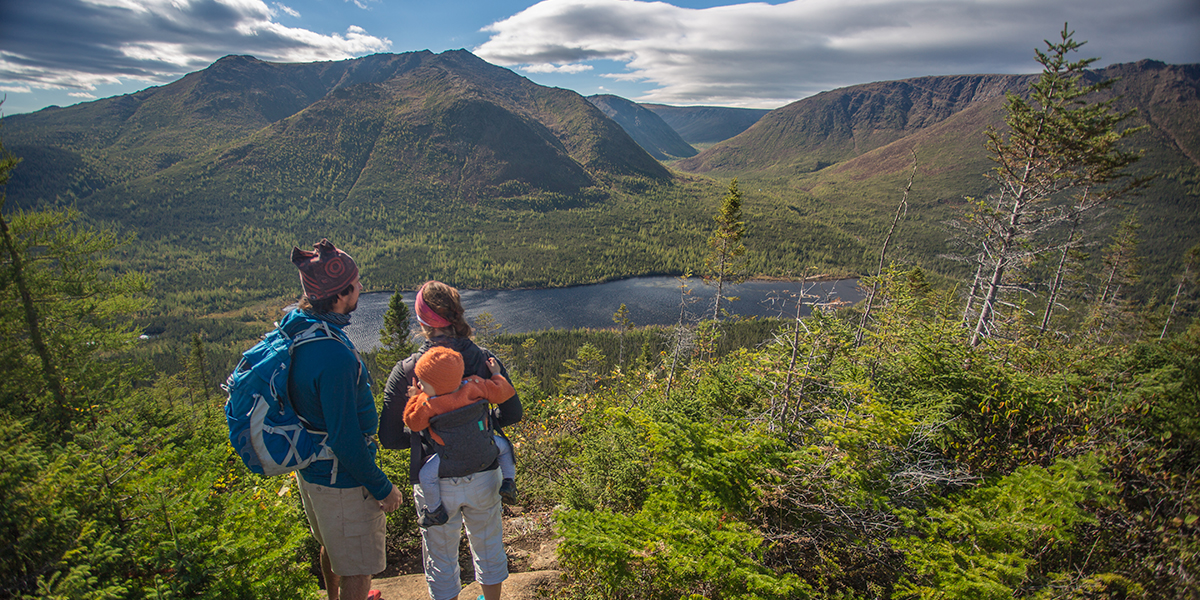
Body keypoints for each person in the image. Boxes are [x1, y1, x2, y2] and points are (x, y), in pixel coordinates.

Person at [380, 280, 523, 600]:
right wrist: (478, 430)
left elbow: (389, 438)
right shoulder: (484, 360)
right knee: (488, 546)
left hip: (436, 476)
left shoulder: (406, 371)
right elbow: (512, 413)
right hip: (484, 468)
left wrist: (433, 440)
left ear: (422, 322)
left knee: (441, 560)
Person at [287, 239, 404, 600]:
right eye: (356, 284)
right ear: (339, 294)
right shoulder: (333, 356)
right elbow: (344, 438)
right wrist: (384, 487)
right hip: (341, 480)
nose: (362, 288)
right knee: (357, 566)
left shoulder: (300, 328)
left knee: (332, 546)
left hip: (313, 470)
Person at [403, 346, 518, 528]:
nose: (421, 387)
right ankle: (509, 481)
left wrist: (414, 398)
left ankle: (434, 511)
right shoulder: (474, 386)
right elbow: (503, 392)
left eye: (423, 384)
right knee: (504, 446)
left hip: (448, 460)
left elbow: (413, 423)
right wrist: (496, 373)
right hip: (485, 450)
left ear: (435, 384)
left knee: (425, 476)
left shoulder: (428, 404)